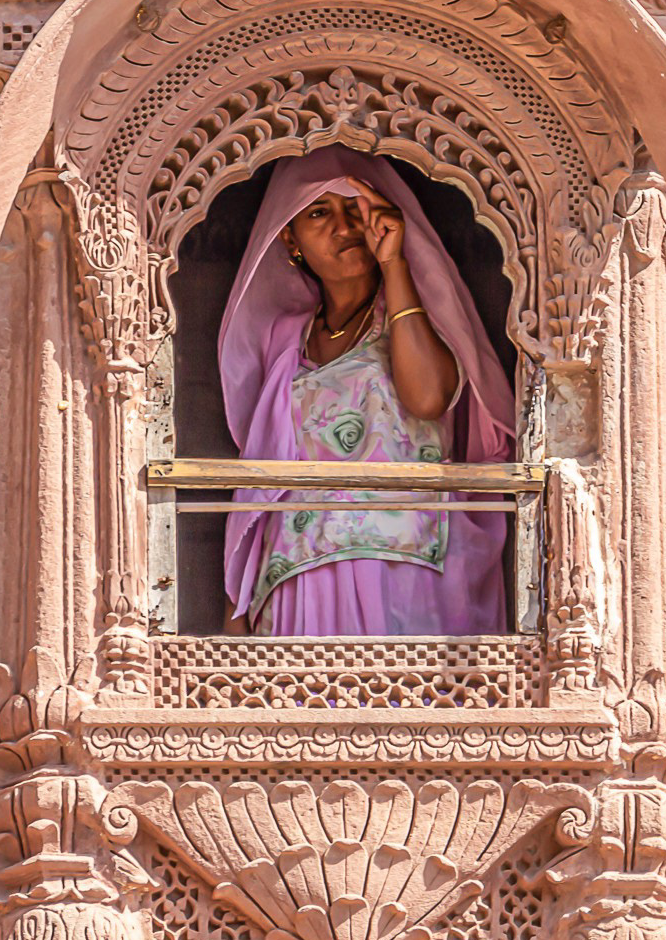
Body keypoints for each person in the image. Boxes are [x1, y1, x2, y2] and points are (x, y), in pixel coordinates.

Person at [217, 145, 516, 636]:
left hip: (402, 562)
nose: (345, 226)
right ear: (290, 237)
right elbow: (262, 479)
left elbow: (427, 400)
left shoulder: (416, 312)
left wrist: (394, 263)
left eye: (355, 207)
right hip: (300, 571)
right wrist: (237, 611)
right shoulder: (284, 337)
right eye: (319, 212)